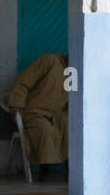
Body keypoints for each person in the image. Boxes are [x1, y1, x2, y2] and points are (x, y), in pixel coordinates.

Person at [7, 52, 69, 181]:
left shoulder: (73, 73)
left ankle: (70, 170)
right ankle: (44, 171)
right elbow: (23, 81)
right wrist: (16, 103)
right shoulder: (50, 61)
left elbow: (71, 96)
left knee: (70, 126)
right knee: (43, 130)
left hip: (55, 114)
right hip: (34, 112)